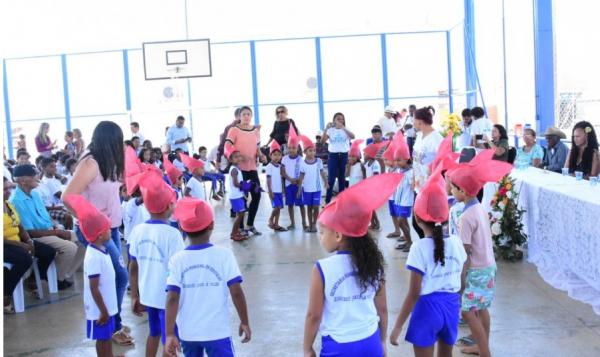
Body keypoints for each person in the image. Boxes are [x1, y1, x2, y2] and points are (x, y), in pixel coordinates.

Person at [303, 173, 403, 357]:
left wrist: (307, 348)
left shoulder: (322, 269)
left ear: (338, 235)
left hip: (339, 347)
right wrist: (382, 341)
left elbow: (314, 316)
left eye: (322, 232)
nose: (320, 237)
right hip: (371, 341)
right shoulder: (375, 264)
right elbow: (382, 309)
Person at [62, 121, 132, 345]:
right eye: (118, 141)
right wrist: (88, 220)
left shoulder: (109, 160)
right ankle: (113, 325)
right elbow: (68, 196)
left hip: (111, 227)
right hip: (96, 230)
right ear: (108, 141)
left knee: (117, 276)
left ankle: (115, 321)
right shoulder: (91, 162)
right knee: (119, 277)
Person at [389, 168, 467, 357]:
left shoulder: (418, 248)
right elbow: (462, 280)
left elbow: (413, 293)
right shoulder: (457, 243)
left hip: (427, 309)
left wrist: (397, 327)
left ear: (416, 218)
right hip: (451, 306)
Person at [447, 150, 513, 357]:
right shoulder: (478, 208)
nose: (451, 190)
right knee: (481, 308)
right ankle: (482, 345)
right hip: (488, 267)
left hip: (475, 270)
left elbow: (465, 252)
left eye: (454, 188)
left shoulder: (466, 217)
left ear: (464, 192)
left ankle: (485, 352)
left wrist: (460, 280)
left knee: (467, 311)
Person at [165, 197, 251, 357]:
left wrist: (170, 333)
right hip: (217, 331)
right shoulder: (224, 255)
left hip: (188, 333)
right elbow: (236, 292)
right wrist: (244, 321)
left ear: (183, 228)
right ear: (212, 225)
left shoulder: (176, 260)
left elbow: (172, 298)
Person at [128, 173, 185, 355]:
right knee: (170, 338)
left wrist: (134, 295)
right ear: (170, 205)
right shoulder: (172, 234)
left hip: (147, 294)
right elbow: (178, 270)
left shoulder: (137, 231)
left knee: (153, 333)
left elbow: (133, 266)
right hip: (166, 298)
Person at [10, 165, 83, 290]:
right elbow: (30, 232)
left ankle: (63, 274)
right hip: (37, 236)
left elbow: (45, 216)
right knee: (70, 248)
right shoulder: (16, 200)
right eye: (33, 175)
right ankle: (57, 280)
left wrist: (56, 226)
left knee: (83, 240)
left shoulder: (35, 194)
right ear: (23, 180)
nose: (37, 178)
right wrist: (57, 232)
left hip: (49, 231)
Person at [64, 194, 117, 357]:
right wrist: (103, 311)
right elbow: (94, 288)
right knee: (102, 339)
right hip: (99, 309)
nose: (111, 230)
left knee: (107, 336)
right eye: (108, 228)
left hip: (107, 306)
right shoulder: (93, 256)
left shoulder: (102, 249)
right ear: (100, 235)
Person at [4, 177, 56, 313]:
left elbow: (20, 226)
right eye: (4, 189)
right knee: (24, 258)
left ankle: (32, 280)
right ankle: (5, 295)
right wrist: (21, 245)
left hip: (16, 241)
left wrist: (28, 241)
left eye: (9, 188)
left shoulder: (8, 204)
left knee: (48, 252)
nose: (8, 191)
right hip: (5, 243)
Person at [225, 106, 266, 236]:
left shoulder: (255, 131)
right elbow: (227, 147)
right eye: (244, 114)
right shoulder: (234, 130)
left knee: (257, 195)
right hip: (240, 170)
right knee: (241, 198)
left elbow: (257, 148)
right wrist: (237, 156)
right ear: (239, 116)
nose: (246, 116)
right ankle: (241, 228)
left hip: (252, 168)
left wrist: (262, 156)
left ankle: (250, 225)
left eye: (249, 114)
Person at [411, 106, 444, 238]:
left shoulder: (436, 139)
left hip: (430, 188)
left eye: (414, 120)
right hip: (418, 186)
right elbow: (415, 160)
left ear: (420, 121)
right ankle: (427, 245)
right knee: (417, 222)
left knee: (426, 222)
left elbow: (439, 166)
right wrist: (413, 178)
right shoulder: (419, 136)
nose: (412, 123)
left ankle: (431, 248)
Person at [382, 133, 414, 251]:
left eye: (399, 160)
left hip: (406, 201)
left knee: (401, 221)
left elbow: (413, 186)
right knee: (403, 222)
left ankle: (410, 242)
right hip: (398, 200)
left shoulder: (411, 172)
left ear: (407, 159)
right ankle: (407, 240)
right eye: (395, 160)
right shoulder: (399, 170)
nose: (397, 163)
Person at [321, 112, 356, 204]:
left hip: (344, 155)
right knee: (331, 178)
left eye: (342, 119)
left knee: (342, 178)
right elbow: (322, 141)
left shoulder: (346, 129)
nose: (340, 120)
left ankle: (341, 201)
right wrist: (325, 129)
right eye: (338, 119)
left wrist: (343, 127)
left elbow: (353, 136)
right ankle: (327, 200)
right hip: (333, 155)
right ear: (334, 120)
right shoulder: (331, 130)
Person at [297, 135, 328, 233]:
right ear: (305, 152)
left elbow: (322, 172)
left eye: (314, 150)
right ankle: (310, 224)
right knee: (309, 207)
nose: (313, 152)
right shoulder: (302, 163)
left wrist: (326, 182)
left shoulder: (319, 161)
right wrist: (299, 188)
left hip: (317, 189)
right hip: (306, 189)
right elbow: (301, 176)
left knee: (316, 206)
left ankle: (314, 224)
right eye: (310, 150)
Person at [281, 126, 308, 231]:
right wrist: (290, 179)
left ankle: (304, 223)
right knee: (290, 205)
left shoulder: (301, 159)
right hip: (289, 185)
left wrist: (299, 181)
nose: (291, 150)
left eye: (294, 148)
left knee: (301, 205)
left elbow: (303, 172)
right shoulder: (284, 159)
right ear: (287, 148)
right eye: (290, 148)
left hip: (299, 185)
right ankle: (292, 223)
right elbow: (282, 172)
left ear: (297, 148)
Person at [226, 145, 248, 242]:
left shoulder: (237, 168)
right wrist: (245, 186)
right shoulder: (234, 169)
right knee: (240, 215)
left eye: (239, 156)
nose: (239, 158)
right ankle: (233, 233)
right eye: (235, 157)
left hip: (238, 195)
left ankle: (236, 232)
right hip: (235, 196)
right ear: (230, 159)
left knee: (241, 214)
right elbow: (235, 183)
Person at [364, 142, 386, 231]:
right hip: (367, 188)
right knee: (369, 208)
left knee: (371, 207)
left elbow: (376, 176)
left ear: (370, 154)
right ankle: (373, 223)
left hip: (373, 188)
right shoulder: (367, 163)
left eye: (365, 153)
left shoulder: (375, 164)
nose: (364, 154)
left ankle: (377, 223)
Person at [266, 141, 287, 232]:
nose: (277, 156)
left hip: (279, 190)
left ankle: (276, 224)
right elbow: (268, 179)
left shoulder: (279, 167)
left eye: (279, 154)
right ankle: (270, 219)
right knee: (277, 207)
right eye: (274, 154)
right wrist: (270, 191)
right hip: (273, 191)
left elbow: (281, 179)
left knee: (279, 209)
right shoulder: (269, 166)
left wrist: (283, 190)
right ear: (270, 156)